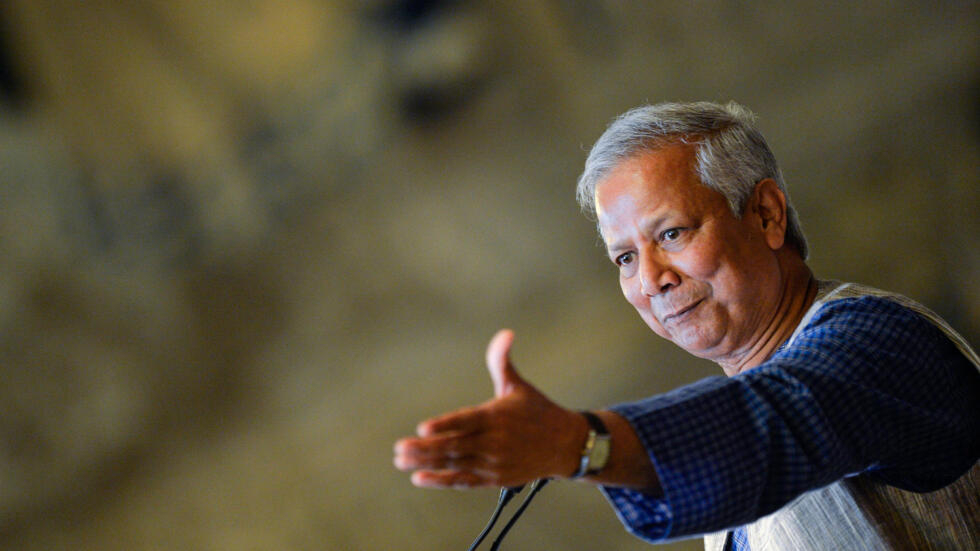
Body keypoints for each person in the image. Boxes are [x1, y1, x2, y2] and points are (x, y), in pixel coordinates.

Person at [393, 101, 980, 549]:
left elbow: (779, 419)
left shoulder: (879, 339)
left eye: (671, 234)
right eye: (625, 258)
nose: (651, 280)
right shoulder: (737, 452)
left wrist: (580, 444)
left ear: (766, 214)